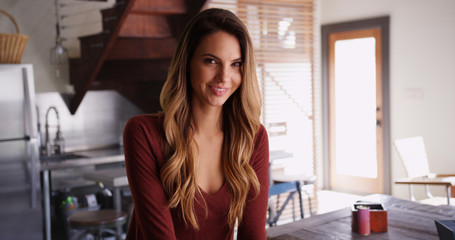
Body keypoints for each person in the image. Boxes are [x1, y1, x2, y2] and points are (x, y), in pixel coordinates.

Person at [123, 8, 269, 240]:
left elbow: (252, 233)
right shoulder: (143, 133)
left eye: (236, 64)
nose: (224, 77)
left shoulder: (253, 137)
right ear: (188, 62)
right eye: (211, 61)